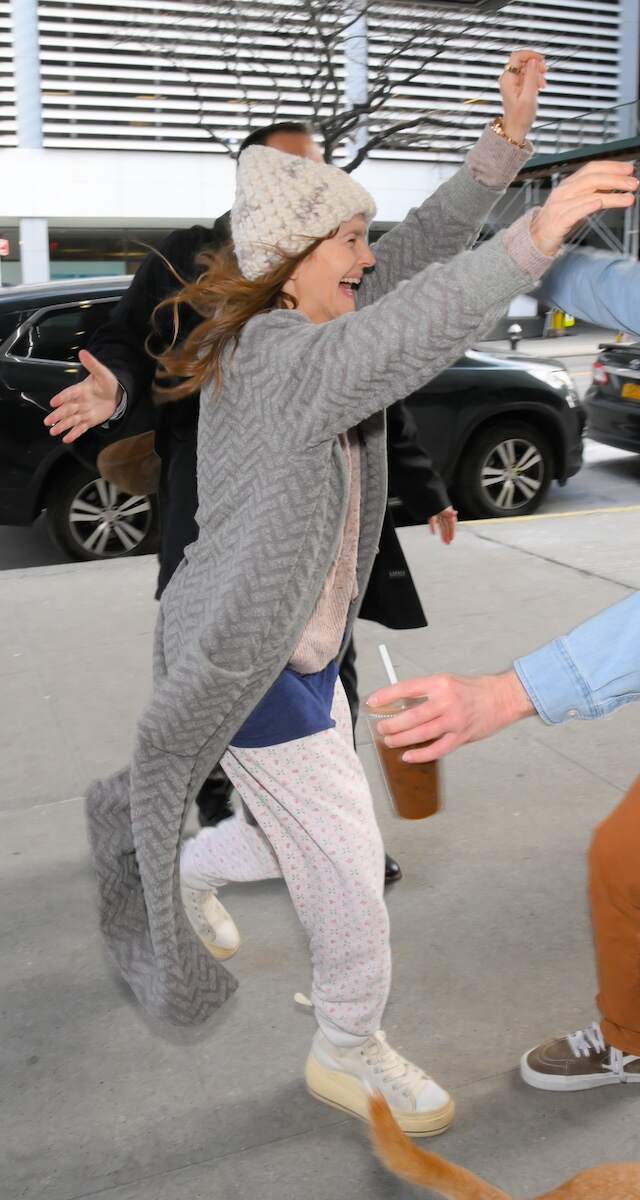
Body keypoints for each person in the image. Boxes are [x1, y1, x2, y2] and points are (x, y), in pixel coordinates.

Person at [76, 53, 638, 1139]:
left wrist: (504, 150)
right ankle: (347, 1043)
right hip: (247, 654)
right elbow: (415, 322)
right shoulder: (282, 354)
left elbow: (421, 251)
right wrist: (541, 230)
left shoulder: (307, 309)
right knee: (346, 873)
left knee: (296, 836)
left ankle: (184, 860)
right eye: (349, 244)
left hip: (303, 644)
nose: (369, 259)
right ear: (294, 262)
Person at [372, 107, 640, 1162]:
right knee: (624, 861)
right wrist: (532, 215)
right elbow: (595, 286)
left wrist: (511, 692)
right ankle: (638, 1041)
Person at [46, 120, 435, 890]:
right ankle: (218, 825)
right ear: (248, 179)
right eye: (293, 172)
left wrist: (429, 489)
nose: (311, 186)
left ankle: (328, 833)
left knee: (328, 673)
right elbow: (126, 342)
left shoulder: (335, 258)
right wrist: (117, 386)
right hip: (218, 512)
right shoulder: (185, 255)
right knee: (208, 686)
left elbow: (379, 369)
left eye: (317, 171)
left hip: (317, 514)